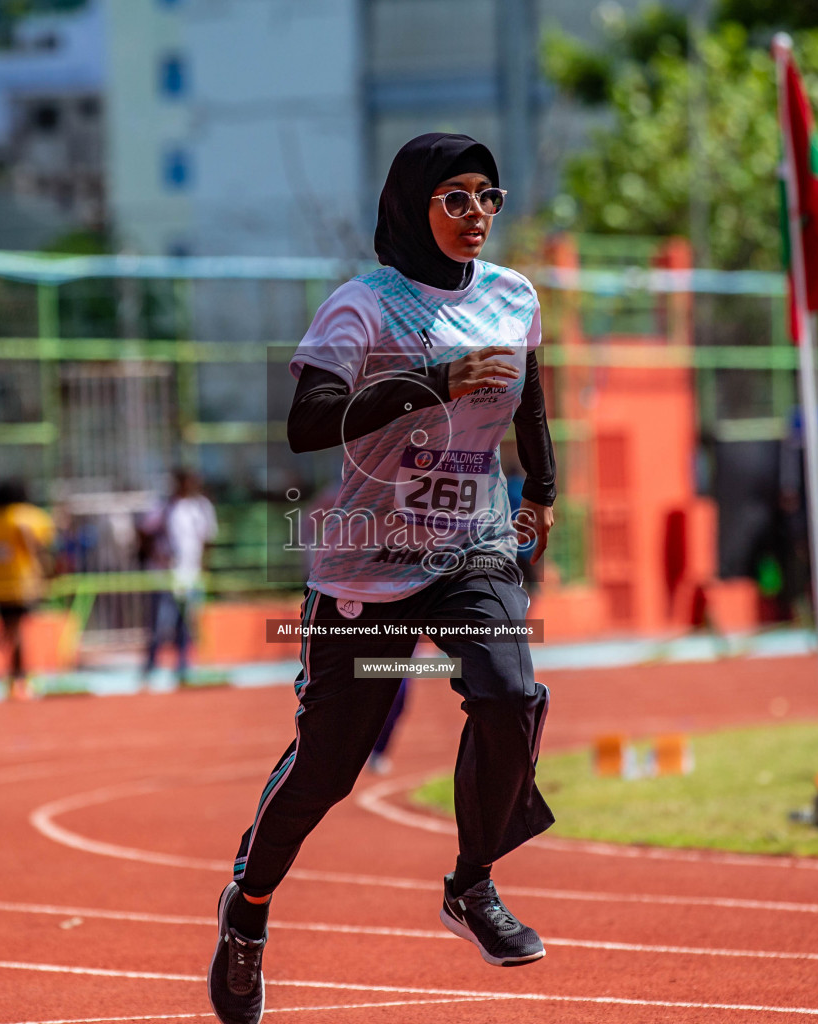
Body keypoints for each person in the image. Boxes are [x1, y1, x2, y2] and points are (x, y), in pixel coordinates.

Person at [207, 133, 558, 1024]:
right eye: (456, 198)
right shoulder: (362, 309)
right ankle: (248, 911)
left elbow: (531, 397)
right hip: (366, 562)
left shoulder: (515, 297)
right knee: (329, 769)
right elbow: (306, 422)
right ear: (413, 205)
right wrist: (431, 381)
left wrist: (543, 492)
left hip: (471, 545)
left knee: (511, 692)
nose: (477, 214)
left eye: (489, 196)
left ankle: (472, 883)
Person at [136, 467, 217, 689]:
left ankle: (182, 667)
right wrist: (155, 555)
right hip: (162, 576)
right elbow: (144, 532)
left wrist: (203, 568)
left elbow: (208, 539)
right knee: (159, 623)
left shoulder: (201, 507)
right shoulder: (162, 506)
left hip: (189, 575)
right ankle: (151, 667)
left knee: (186, 623)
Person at [0, 478, 55, 701]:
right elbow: (35, 546)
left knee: (8, 625)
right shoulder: (25, 517)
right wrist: (44, 573)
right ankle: (18, 679)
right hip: (22, 582)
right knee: (18, 629)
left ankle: (1, 664)